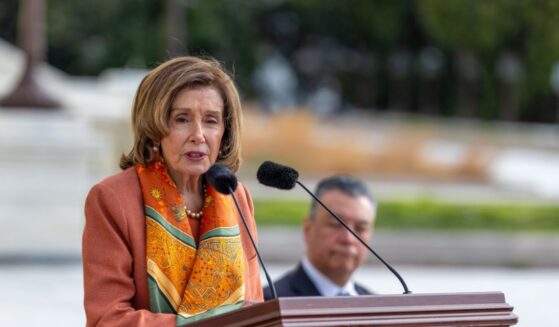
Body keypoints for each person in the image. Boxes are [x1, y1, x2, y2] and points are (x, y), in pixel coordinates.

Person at [83, 56, 263, 326]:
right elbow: (107, 318)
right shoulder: (113, 198)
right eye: (182, 119)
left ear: (225, 132)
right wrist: (212, 323)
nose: (198, 135)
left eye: (211, 121)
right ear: (154, 126)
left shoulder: (235, 196)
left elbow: (254, 304)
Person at [264, 175, 375, 299]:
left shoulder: (380, 308)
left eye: (360, 228)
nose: (348, 238)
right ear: (308, 230)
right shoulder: (271, 305)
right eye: (336, 225)